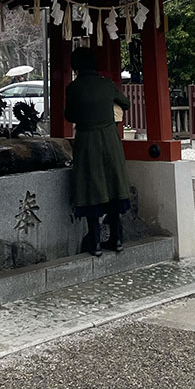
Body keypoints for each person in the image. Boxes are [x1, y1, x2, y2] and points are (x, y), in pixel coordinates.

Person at [64, 46, 131, 256]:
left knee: (89, 186)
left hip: (87, 140)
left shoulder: (74, 88)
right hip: (110, 139)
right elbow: (126, 103)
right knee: (113, 184)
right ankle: (117, 238)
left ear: (75, 67)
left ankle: (94, 242)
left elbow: (70, 115)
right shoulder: (107, 84)